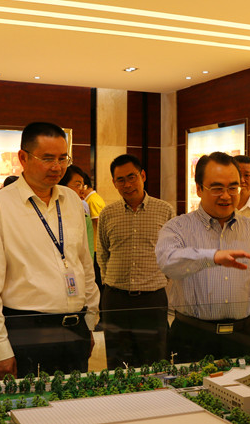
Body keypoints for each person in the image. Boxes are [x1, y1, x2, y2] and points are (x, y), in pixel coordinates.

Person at [0, 122, 100, 379]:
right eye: (47, 158)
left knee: (77, 401)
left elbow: (84, 264)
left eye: (62, 158)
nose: (57, 167)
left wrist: (89, 321)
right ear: (23, 157)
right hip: (27, 330)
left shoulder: (72, 201)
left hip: (75, 327)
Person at [156, 152, 250, 363]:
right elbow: (168, 262)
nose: (226, 196)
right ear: (199, 189)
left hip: (245, 337)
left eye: (233, 188)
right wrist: (212, 257)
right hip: (192, 338)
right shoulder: (177, 228)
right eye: (217, 188)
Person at [98, 154, 174, 368]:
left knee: (154, 360)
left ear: (143, 176)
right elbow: (102, 253)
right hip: (115, 300)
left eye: (132, 177)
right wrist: (110, 281)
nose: (127, 185)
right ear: (114, 183)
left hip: (152, 299)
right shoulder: (107, 213)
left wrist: (158, 278)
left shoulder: (165, 210)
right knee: (117, 361)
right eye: (120, 180)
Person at [60, 165, 94, 257]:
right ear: (63, 186)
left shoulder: (84, 218)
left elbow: (89, 254)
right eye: (78, 185)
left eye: (83, 186)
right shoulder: (50, 213)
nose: (82, 191)